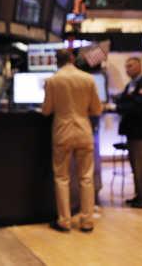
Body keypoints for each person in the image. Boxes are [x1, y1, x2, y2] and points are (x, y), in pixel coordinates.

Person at [42, 49, 103, 233]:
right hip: (84, 131)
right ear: (72, 59)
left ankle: (64, 221)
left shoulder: (53, 80)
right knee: (86, 177)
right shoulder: (88, 79)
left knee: (62, 177)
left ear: (56, 60)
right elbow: (97, 109)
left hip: (62, 132)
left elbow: (46, 110)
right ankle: (87, 221)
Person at [115, 57, 142, 209]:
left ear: (139, 67)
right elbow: (123, 101)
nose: (128, 69)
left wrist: (118, 107)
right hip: (132, 132)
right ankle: (140, 196)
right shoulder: (131, 85)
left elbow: (136, 106)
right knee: (136, 166)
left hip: (141, 132)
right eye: (126, 66)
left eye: (131, 66)